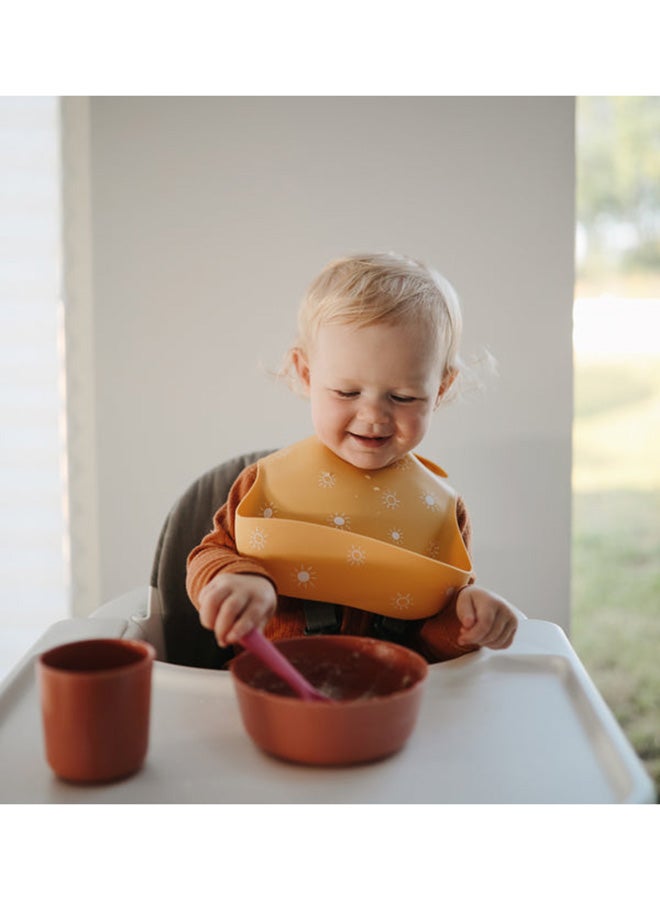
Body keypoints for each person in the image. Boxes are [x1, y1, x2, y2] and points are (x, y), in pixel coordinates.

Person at [186, 252, 518, 662]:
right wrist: (235, 579)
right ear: (306, 374)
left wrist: (468, 622)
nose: (374, 416)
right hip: (274, 686)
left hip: (388, 696)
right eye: (347, 392)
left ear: (441, 389)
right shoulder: (265, 486)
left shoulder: (440, 513)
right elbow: (208, 554)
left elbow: (434, 638)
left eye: (403, 397)